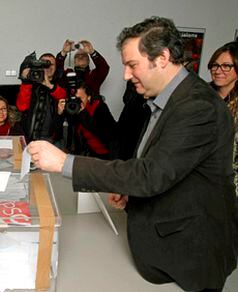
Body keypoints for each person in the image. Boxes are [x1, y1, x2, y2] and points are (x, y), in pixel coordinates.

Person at [28, 16, 238, 291]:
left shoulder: (198, 107)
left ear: (162, 58)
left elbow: (151, 175)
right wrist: (131, 190)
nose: (126, 75)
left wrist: (64, 162)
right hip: (161, 243)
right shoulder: (164, 99)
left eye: (132, 65)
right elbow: (162, 162)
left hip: (188, 257)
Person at [208, 41, 238, 195]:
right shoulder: (201, 95)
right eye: (215, 65)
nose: (218, 70)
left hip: (229, 184)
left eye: (226, 66)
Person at [58, 83, 118, 159]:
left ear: (89, 97)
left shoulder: (99, 107)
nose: (76, 102)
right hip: (88, 152)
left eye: (79, 99)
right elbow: (57, 132)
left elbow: (102, 132)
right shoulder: (72, 108)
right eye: (74, 99)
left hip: (107, 153)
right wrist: (59, 114)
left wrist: (83, 113)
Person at [16, 53, 67, 142]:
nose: (48, 67)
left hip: (52, 138)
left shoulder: (61, 81)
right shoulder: (31, 83)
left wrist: (49, 85)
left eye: (51, 64)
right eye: (44, 64)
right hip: (30, 136)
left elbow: (64, 97)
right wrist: (25, 81)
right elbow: (22, 107)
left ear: (56, 67)